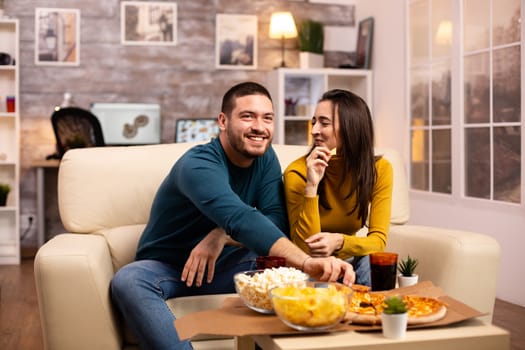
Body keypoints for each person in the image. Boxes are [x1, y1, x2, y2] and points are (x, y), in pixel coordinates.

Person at [110, 82, 355, 350]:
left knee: (291, 268)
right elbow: (241, 218)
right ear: (223, 121)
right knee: (128, 279)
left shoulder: (265, 158)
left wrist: (221, 235)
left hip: (229, 266)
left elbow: (275, 221)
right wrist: (306, 262)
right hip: (170, 269)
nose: (259, 127)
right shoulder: (198, 164)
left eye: (267, 118)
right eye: (247, 116)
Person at [283, 89, 393, 287]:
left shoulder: (379, 170)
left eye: (324, 123)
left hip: (352, 259)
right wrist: (312, 185)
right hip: (312, 266)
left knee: (372, 260)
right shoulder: (297, 171)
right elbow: (304, 248)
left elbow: (378, 241)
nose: (314, 130)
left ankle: (372, 313)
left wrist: (340, 242)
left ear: (351, 127)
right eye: (313, 122)